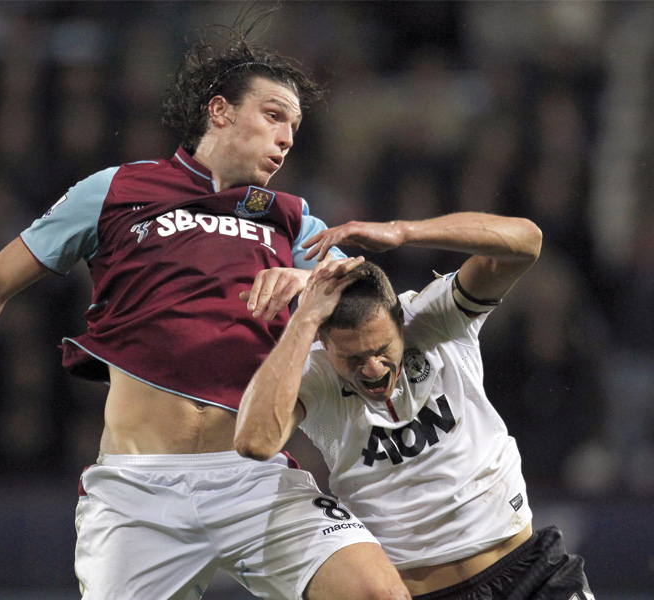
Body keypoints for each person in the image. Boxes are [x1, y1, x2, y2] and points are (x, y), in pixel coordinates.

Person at [0, 14, 410, 600]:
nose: (287, 137)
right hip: (137, 490)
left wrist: (306, 277)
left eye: (294, 127)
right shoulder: (115, 190)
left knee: (380, 595)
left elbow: (374, 296)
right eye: (274, 115)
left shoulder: (291, 218)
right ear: (220, 111)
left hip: (252, 479)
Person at [236, 213, 596, 599]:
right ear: (324, 341)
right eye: (353, 359)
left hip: (528, 570)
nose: (373, 369)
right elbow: (255, 441)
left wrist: (403, 232)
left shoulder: (436, 316)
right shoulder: (314, 374)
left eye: (381, 349)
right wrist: (303, 320)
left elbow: (527, 242)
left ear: (400, 319)